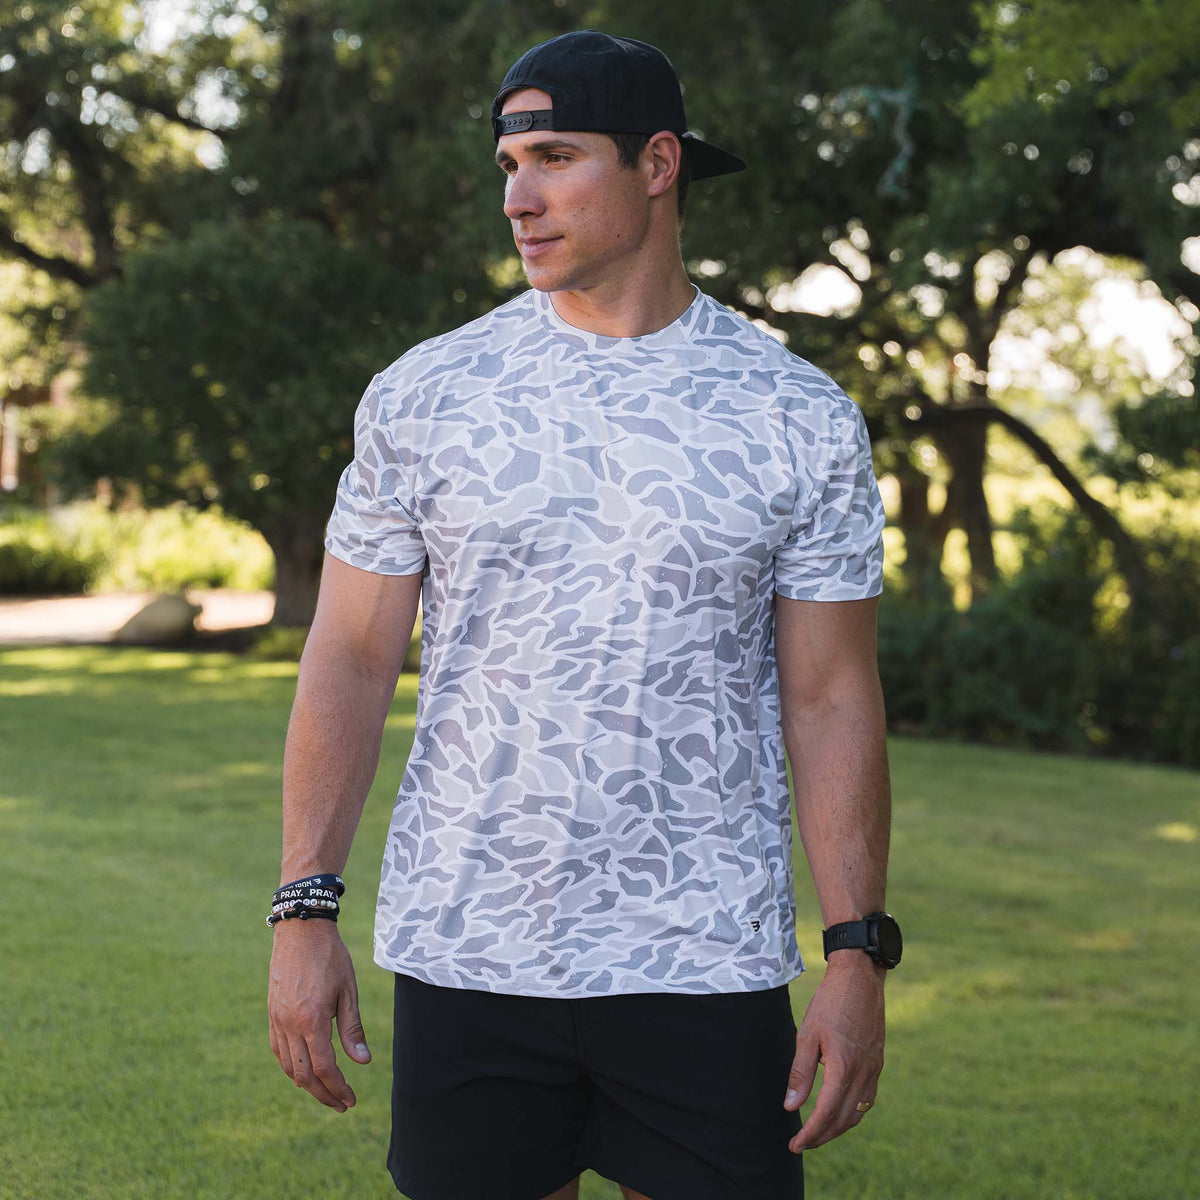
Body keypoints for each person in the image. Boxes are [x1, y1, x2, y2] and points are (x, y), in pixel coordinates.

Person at [267, 28, 900, 1200]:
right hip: (472, 949)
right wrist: (305, 907)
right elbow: (352, 659)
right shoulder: (427, 395)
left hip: (704, 960)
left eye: (555, 157)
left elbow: (830, 694)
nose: (520, 196)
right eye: (508, 164)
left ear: (658, 165)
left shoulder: (797, 417)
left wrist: (859, 951)